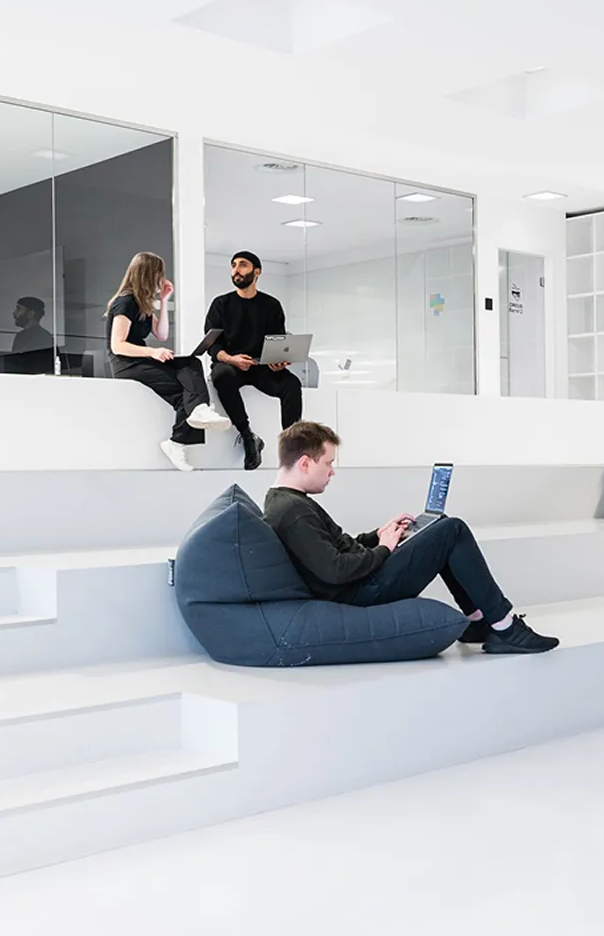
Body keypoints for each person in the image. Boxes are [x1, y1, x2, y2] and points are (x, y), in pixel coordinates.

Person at [262, 421, 559, 655]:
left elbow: (330, 548)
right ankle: (506, 628)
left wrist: (377, 535)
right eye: (328, 463)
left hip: (361, 580)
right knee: (451, 529)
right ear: (304, 463)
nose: (331, 472)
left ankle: (479, 621)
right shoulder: (293, 511)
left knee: (439, 526)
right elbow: (335, 570)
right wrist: (384, 549)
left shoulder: (289, 502)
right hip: (361, 592)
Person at [105, 252, 231, 470]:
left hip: (141, 358)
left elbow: (161, 334)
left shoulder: (141, 303)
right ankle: (181, 437)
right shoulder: (125, 303)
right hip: (128, 363)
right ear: (148, 274)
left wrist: (163, 301)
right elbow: (118, 345)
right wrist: (153, 353)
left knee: (192, 364)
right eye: (159, 274)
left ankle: (194, 416)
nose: (161, 279)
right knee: (187, 391)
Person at [206, 250, 303, 470]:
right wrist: (231, 359)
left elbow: (278, 340)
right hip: (232, 365)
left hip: (261, 367)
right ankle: (248, 436)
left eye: (242, 265)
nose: (236, 270)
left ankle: (292, 446)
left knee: (291, 384)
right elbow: (212, 345)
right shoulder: (221, 304)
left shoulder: (271, 305)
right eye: (233, 266)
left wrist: (279, 360)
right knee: (220, 374)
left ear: (256, 272)